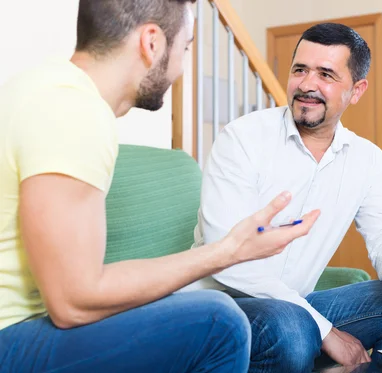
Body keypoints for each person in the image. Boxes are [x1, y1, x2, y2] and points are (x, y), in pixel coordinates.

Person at [0, 1, 319, 372]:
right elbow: (73, 302)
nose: (182, 68)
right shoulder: (73, 112)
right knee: (219, 323)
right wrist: (229, 251)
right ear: (152, 43)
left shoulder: (44, 88)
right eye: (184, 48)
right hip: (10, 339)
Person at [195, 22, 382, 372]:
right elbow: (228, 259)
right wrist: (324, 329)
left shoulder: (367, 159)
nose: (307, 84)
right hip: (224, 307)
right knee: (293, 327)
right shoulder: (242, 139)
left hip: (297, 307)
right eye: (300, 69)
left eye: (326, 74)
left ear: (356, 90)